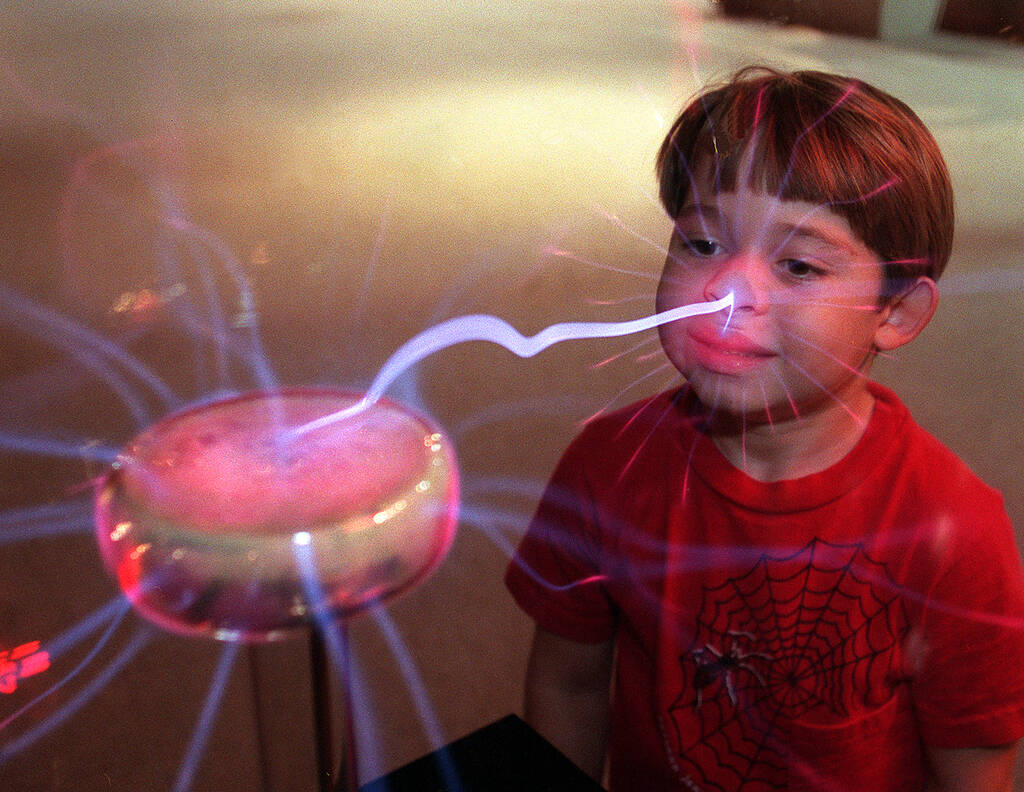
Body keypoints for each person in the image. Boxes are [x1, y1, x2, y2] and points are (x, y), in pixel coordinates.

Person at [504, 66, 1024, 791]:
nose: (725, 291)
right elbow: (568, 686)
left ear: (895, 313)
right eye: (702, 245)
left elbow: (978, 765)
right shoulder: (605, 465)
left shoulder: (954, 534)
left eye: (799, 263)